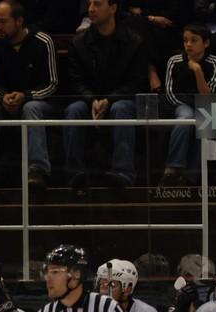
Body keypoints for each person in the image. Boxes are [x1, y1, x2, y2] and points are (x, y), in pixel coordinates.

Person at [0, 0, 57, 191]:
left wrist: (25, 96)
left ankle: (37, 170)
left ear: (19, 21)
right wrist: (3, 97)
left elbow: (51, 84)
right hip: (5, 101)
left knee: (31, 108)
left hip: (38, 100)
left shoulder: (43, 41)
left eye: (3, 21)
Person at [63, 0, 147, 190]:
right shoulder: (79, 42)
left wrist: (110, 99)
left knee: (121, 109)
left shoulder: (134, 41)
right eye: (89, 4)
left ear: (113, 8)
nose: (91, 9)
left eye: (97, 4)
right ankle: (74, 173)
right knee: (74, 110)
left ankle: (123, 173)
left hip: (122, 100)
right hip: (89, 100)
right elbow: (75, 81)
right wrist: (92, 99)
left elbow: (138, 81)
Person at [160, 22, 216, 186]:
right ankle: (173, 169)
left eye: (193, 40)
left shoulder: (214, 62)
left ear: (206, 43)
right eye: (185, 40)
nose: (188, 44)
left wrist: (198, 71)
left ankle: (190, 178)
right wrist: (191, 105)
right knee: (187, 116)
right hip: (180, 105)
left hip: (204, 107)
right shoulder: (174, 61)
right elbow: (170, 94)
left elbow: (208, 97)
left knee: (203, 121)